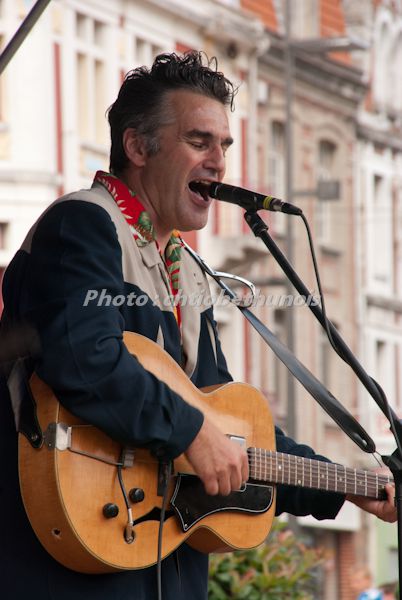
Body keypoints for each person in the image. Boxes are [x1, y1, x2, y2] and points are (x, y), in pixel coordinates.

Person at [0, 51, 396, 600]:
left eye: (224, 145)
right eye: (198, 141)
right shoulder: (84, 224)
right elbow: (85, 358)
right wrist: (190, 431)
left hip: (164, 569)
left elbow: (232, 427)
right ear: (138, 147)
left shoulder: (190, 271)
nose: (218, 162)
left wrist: (352, 486)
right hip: (71, 570)